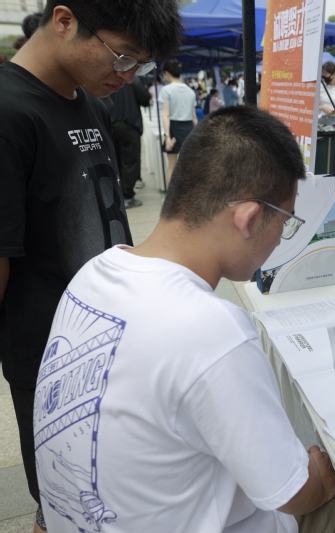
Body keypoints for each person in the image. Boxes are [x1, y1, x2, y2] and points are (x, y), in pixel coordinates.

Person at [32, 105, 335, 533]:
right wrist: (319, 476)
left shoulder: (94, 273)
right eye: (286, 222)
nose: (280, 238)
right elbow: (295, 495)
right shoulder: (212, 329)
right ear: (250, 218)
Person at [0, 2, 182, 533]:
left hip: (114, 344)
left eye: (140, 65)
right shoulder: (9, 112)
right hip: (52, 358)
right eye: (122, 56)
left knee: (111, 494)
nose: (128, 74)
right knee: (64, 502)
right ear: (64, 21)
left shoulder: (90, 103)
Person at [110, 76, 151, 208]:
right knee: (130, 161)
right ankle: (126, 195)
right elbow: (145, 99)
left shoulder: (106, 76)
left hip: (109, 124)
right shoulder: (132, 78)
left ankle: (117, 193)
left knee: (114, 160)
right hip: (129, 125)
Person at [159, 58, 198, 186]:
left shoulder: (166, 90)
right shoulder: (190, 91)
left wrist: (167, 136)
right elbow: (193, 116)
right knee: (189, 166)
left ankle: (171, 196)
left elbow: (165, 114)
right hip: (189, 128)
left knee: (172, 166)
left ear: (166, 73)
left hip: (174, 128)